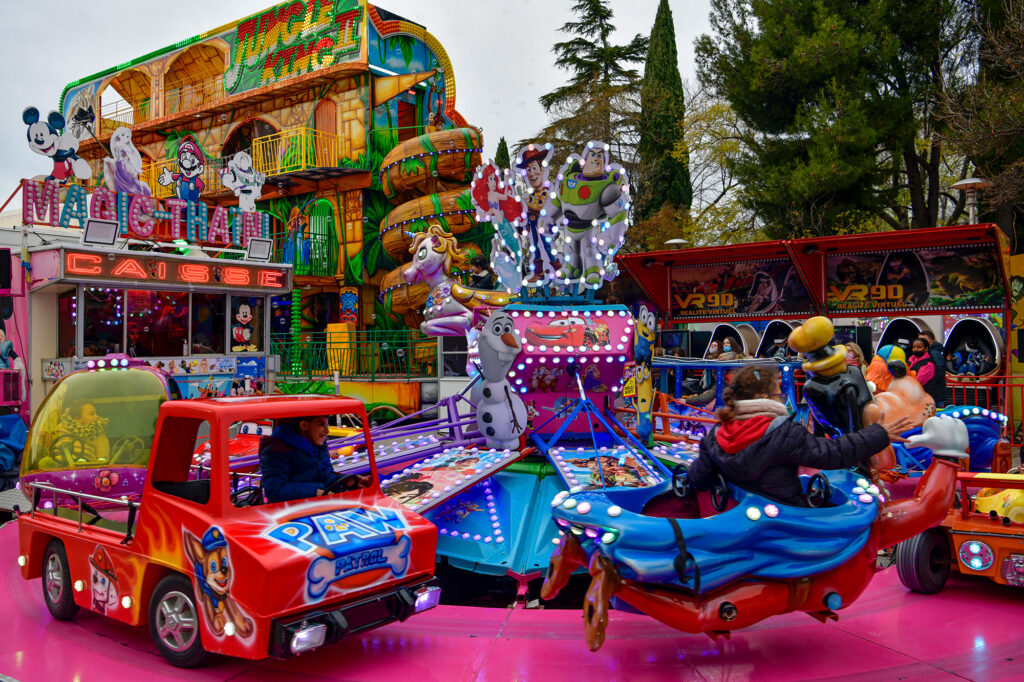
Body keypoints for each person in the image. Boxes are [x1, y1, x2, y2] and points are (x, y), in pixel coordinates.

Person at [687, 365, 911, 507]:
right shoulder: (784, 432)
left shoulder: (715, 435)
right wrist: (878, 434)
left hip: (737, 520)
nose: (781, 399)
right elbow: (833, 454)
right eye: (779, 394)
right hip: (783, 523)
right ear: (766, 396)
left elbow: (698, 478)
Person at [259, 416, 363, 503]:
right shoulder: (276, 450)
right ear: (304, 425)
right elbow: (275, 491)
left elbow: (328, 478)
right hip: (287, 515)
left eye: (327, 425)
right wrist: (315, 492)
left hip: (316, 507)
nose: (327, 431)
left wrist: (350, 480)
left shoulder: (319, 446)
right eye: (321, 424)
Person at [908, 338, 945, 407]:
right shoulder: (910, 361)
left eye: (919, 347)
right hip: (915, 399)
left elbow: (918, 382)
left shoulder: (928, 365)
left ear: (926, 348)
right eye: (914, 347)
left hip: (926, 400)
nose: (916, 349)